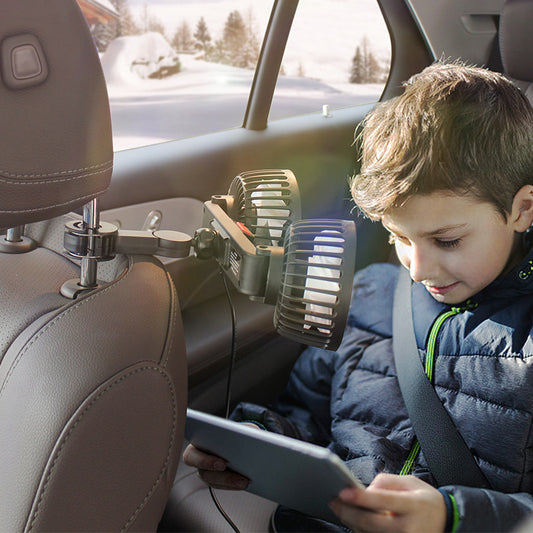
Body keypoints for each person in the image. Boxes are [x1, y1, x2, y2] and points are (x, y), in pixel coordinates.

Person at [184, 61, 533, 532]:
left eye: (446, 240)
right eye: (399, 237)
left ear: (522, 210)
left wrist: (452, 518)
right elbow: (310, 416)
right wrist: (259, 443)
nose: (418, 267)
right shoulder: (371, 294)